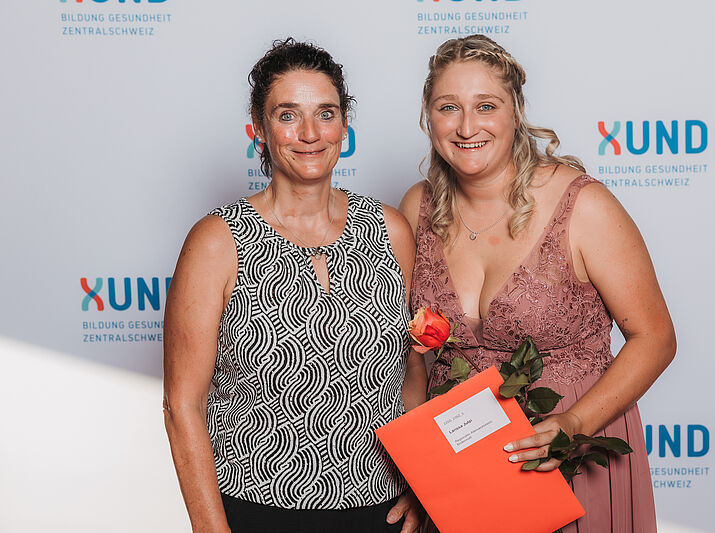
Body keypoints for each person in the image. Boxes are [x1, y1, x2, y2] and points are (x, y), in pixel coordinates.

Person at [400, 35, 676, 533]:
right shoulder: (417, 206)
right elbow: (407, 353)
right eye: (448, 107)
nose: (467, 127)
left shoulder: (584, 206)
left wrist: (574, 424)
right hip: (460, 458)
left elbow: (655, 337)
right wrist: (419, 464)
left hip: (570, 446)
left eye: (486, 106)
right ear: (428, 116)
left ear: (517, 111)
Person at [163, 38, 426, 533]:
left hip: (381, 510)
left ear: (344, 126)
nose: (309, 134)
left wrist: (423, 481)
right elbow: (182, 406)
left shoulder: (390, 229)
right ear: (259, 130)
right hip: (256, 511)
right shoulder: (217, 240)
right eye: (288, 115)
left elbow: (411, 369)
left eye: (326, 114)